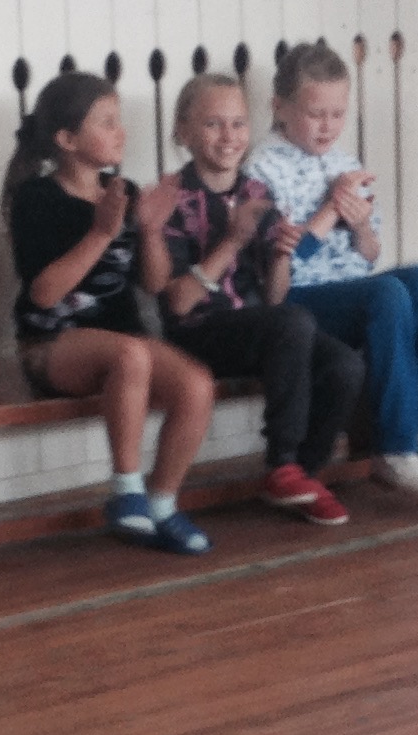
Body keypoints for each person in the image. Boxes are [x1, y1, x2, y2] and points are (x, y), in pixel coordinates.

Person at [2, 71, 217, 555]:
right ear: (67, 139)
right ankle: (126, 491)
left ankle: (162, 503)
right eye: (107, 122)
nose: (121, 132)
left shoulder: (123, 191)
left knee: (197, 385)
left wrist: (151, 230)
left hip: (122, 346)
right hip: (51, 344)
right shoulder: (37, 198)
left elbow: (153, 284)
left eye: (119, 120)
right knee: (131, 355)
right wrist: (101, 232)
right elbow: (44, 294)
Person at [245, 41, 418, 496]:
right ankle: (395, 447)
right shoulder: (262, 170)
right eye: (315, 114)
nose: (328, 125)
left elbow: (369, 254)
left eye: (338, 114)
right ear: (280, 107)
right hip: (296, 301)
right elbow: (281, 263)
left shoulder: (345, 163)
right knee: (385, 295)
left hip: (347, 291)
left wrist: (362, 225)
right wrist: (331, 209)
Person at [139, 71, 360, 525]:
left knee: (345, 365)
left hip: (254, 326)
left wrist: (281, 255)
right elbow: (177, 305)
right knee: (293, 322)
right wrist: (232, 242)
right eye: (213, 124)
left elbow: (275, 297)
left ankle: (303, 475)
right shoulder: (170, 197)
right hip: (197, 334)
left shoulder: (256, 192)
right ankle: (282, 464)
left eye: (238, 124)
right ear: (183, 131)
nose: (229, 136)